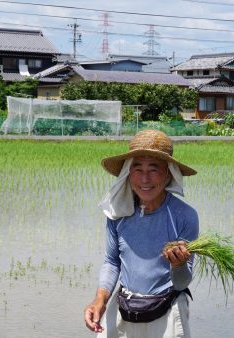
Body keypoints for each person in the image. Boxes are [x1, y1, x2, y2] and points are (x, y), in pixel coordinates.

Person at [84, 129, 199, 338]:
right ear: (128, 173)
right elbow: (112, 262)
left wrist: (178, 264)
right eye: (137, 168)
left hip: (168, 312)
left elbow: (182, 282)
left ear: (168, 174)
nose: (145, 179)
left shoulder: (184, 216)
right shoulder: (117, 213)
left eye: (153, 169)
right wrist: (99, 300)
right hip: (124, 307)